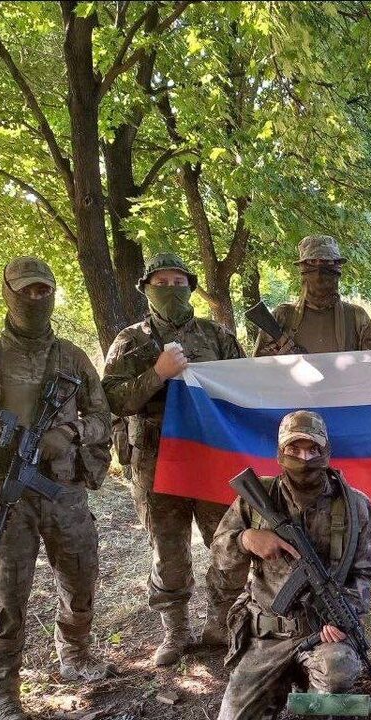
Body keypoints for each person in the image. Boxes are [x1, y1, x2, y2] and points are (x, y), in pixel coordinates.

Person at [0, 256, 114, 720]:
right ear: (8, 293)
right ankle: (2, 694)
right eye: (25, 290)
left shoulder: (72, 358)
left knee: (81, 577)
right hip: (10, 494)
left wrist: (68, 432)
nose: (34, 298)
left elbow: (102, 417)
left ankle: (76, 655)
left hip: (63, 490)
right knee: (6, 596)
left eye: (42, 290)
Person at [101, 253, 244, 666]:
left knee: (227, 543)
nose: (170, 289)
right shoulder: (131, 341)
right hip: (156, 461)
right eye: (161, 283)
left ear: (190, 287)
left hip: (211, 457)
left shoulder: (216, 335)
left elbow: (245, 388)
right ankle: (176, 631)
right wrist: (158, 374)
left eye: (178, 282)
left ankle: (222, 623)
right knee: (168, 551)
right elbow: (113, 398)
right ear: (146, 289)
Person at [212, 411, 371, 720]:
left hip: (321, 633)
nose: (304, 458)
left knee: (341, 667)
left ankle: (314, 698)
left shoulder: (355, 506)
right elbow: (219, 554)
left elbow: (365, 572)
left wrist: (344, 613)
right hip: (268, 634)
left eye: (313, 449)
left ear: (326, 452)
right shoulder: (256, 499)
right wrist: (246, 539)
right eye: (294, 449)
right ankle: (278, 684)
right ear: (280, 454)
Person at [253, 235, 371, 355]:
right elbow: (259, 367)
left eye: (327, 263)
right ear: (302, 268)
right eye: (312, 262)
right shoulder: (282, 317)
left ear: (337, 267)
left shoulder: (357, 318)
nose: (319, 274)